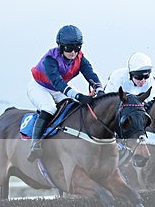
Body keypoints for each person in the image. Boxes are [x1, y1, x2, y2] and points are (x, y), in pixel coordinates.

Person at [27, 25, 104, 161]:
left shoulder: (80, 58)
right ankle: (35, 143)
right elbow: (58, 83)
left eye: (77, 47)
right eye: (69, 48)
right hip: (39, 87)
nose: (73, 52)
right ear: (61, 46)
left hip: (57, 89)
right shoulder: (50, 59)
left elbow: (90, 74)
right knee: (49, 108)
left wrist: (99, 90)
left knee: (73, 106)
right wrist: (78, 95)